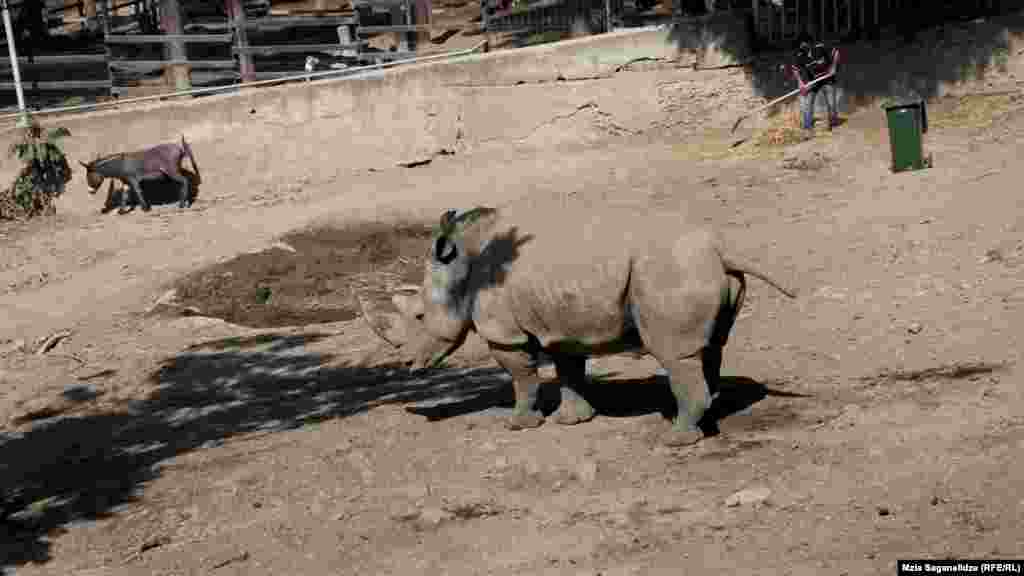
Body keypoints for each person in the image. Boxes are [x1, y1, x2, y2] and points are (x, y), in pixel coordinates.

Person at [789, 34, 841, 133]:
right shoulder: (800, 55)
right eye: (800, 46)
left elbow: (836, 52)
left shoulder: (820, 47)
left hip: (827, 78)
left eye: (803, 44)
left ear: (808, 43)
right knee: (807, 103)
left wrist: (833, 67)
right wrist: (800, 83)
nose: (802, 47)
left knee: (831, 103)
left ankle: (833, 125)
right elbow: (795, 69)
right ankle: (807, 127)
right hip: (813, 81)